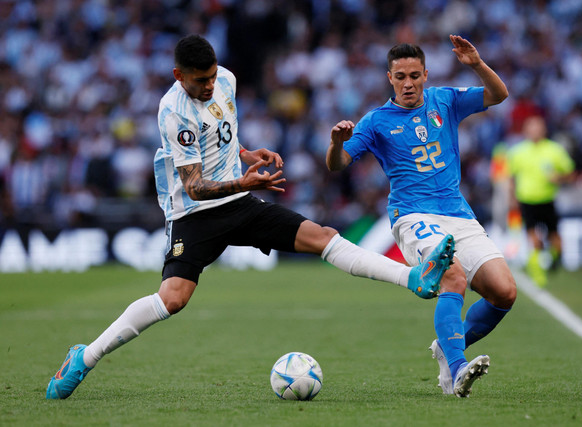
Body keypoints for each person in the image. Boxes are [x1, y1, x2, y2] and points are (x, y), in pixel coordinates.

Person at [45, 35, 454, 400]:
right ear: (178, 75)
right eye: (199, 81)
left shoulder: (226, 79)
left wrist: (246, 153)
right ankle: (85, 356)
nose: (208, 85)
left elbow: (223, 131)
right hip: (194, 214)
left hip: (238, 199)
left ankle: (413, 278)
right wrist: (246, 182)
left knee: (321, 235)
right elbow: (195, 186)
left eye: (210, 77)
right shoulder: (173, 112)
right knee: (174, 299)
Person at [327, 36, 517, 398]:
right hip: (412, 216)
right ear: (389, 78)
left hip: (459, 214)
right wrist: (337, 142)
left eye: (415, 75)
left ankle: (447, 345)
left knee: (504, 293)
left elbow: (498, 94)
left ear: (426, 74)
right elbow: (337, 165)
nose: (408, 83)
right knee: (452, 275)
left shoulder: (444, 100)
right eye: (400, 76)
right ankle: (458, 369)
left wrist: (476, 63)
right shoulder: (375, 121)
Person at [508, 115, 575, 286]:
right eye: (531, 127)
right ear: (525, 131)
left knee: (555, 238)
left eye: (538, 127)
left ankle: (554, 258)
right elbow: (511, 177)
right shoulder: (518, 152)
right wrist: (512, 198)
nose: (535, 131)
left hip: (547, 200)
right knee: (534, 237)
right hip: (527, 200)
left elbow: (570, 174)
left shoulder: (555, 150)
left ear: (544, 130)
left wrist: (558, 178)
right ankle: (537, 272)